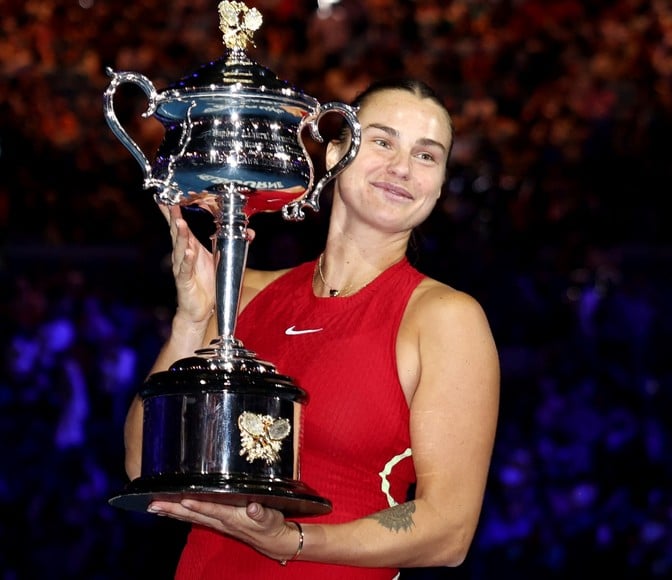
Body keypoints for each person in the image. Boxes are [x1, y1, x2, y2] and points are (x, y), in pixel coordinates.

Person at [122, 78, 501, 579]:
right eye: (383, 141)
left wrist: (293, 540)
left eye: (427, 156)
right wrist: (193, 320)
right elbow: (142, 464)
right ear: (334, 152)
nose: (402, 168)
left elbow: (448, 530)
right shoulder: (244, 293)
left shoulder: (444, 318)